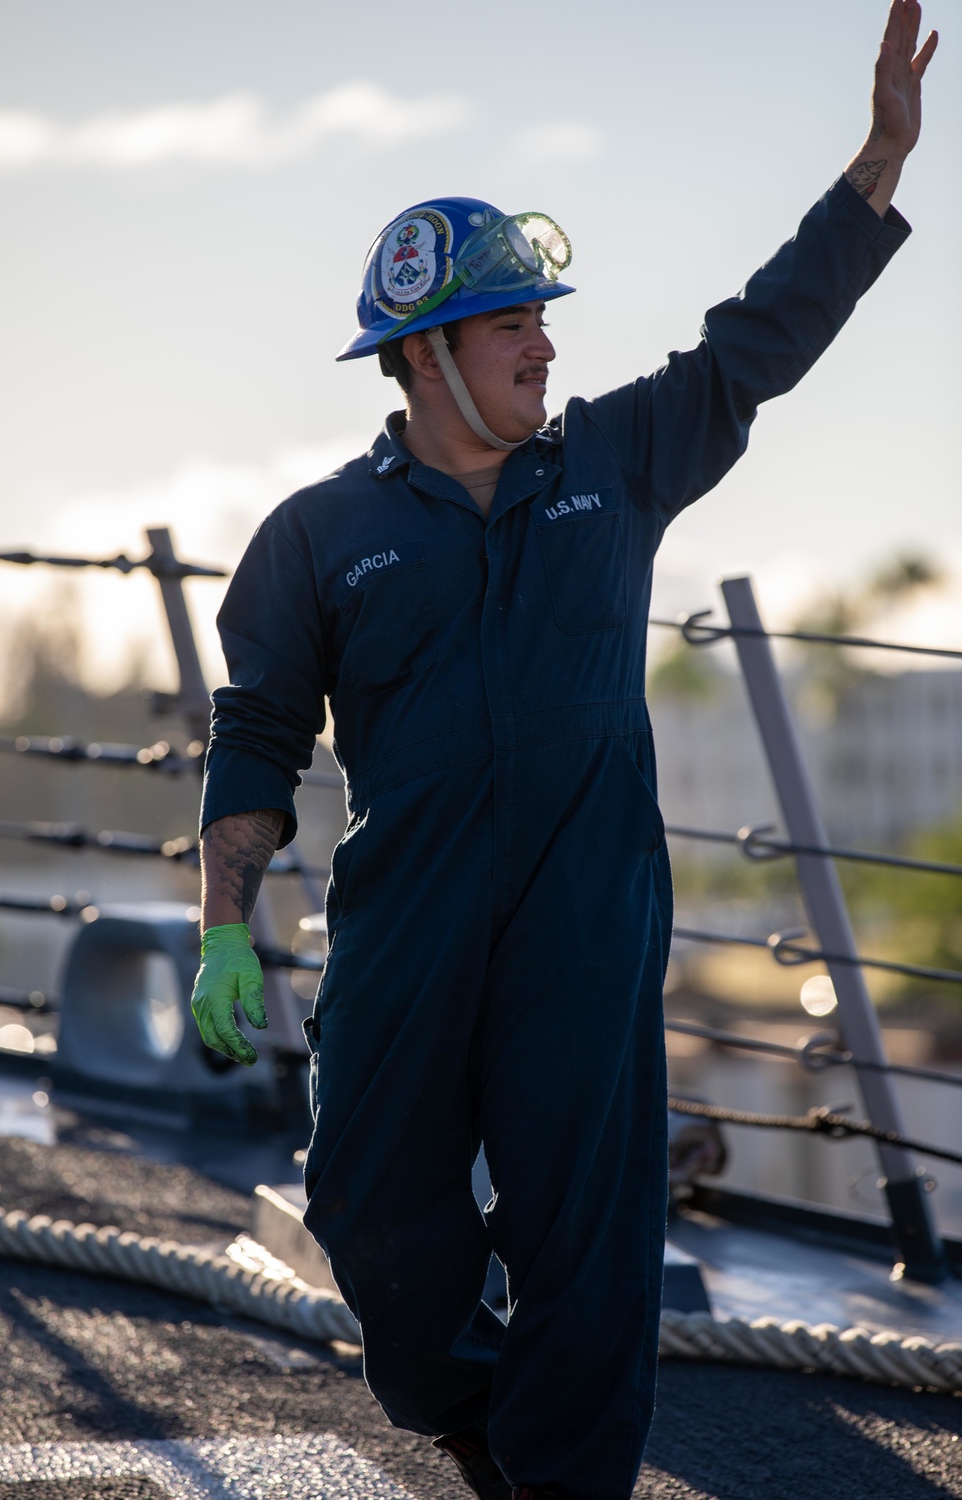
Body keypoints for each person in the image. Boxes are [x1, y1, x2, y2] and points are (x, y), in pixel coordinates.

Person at [191, 4, 937, 1496]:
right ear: (425, 357)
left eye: (544, 318)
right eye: (513, 321)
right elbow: (260, 733)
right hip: (407, 927)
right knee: (369, 1209)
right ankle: (474, 1410)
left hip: (586, 925)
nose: (546, 342)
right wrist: (226, 932)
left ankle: (555, 1476)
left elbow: (753, 346)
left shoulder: (612, 461)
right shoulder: (319, 539)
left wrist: (876, 166)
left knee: (588, 1248)